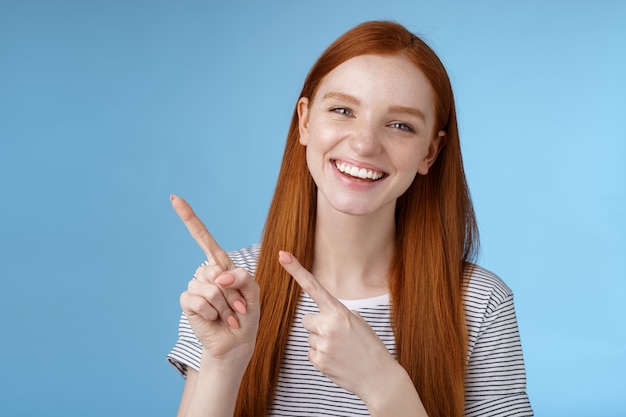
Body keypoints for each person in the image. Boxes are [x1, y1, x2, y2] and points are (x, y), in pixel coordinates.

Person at [167, 20, 533, 417]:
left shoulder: (479, 304)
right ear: (305, 121)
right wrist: (225, 362)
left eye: (400, 126)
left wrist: (384, 385)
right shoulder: (230, 288)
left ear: (430, 151)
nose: (364, 144)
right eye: (343, 110)